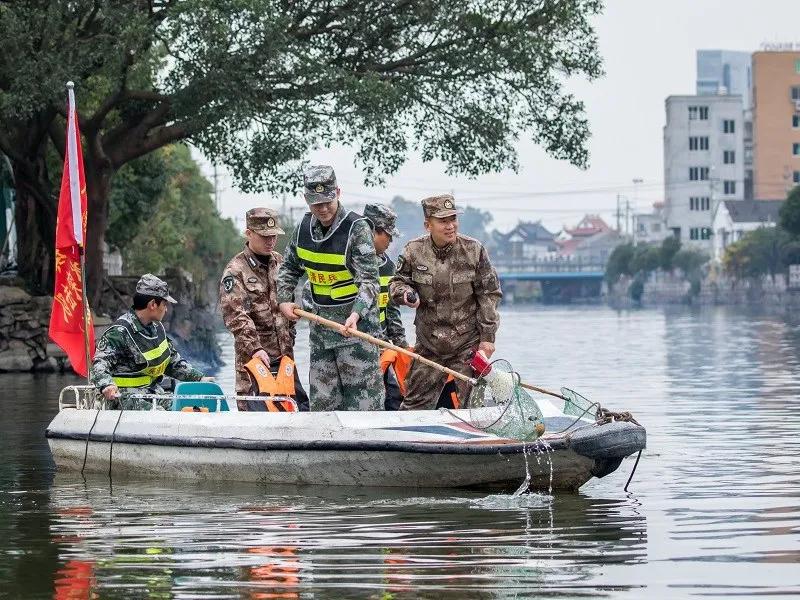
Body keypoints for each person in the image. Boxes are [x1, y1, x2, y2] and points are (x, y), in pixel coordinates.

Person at [277, 165, 384, 411]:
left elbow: (369, 280)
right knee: (323, 409)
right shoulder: (302, 229)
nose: (323, 209)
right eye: (316, 204)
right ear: (306, 199)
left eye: (328, 201)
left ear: (338, 192)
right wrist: (284, 300)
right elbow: (289, 268)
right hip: (321, 333)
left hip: (356, 334)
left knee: (363, 409)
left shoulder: (357, 229)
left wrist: (356, 314)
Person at [388, 194, 502, 410]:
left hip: (466, 344)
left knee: (473, 409)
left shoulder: (473, 250)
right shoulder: (413, 251)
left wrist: (488, 339)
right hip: (429, 343)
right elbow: (396, 283)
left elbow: (489, 294)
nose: (450, 226)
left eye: (453, 219)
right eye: (443, 221)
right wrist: (405, 294)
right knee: (413, 407)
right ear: (427, 225)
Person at [219, 207, 310, 411]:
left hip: (285, 359)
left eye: (274, 236)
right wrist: (256, 349)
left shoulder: (280, 263)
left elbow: (289, 307)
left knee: (298, 411)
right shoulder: (235, 271)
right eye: (264, 236)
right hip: (255, 362)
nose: (270, 241)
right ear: (249, 233)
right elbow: (235, 316)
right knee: (257, 418)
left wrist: (290, 336)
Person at [91, 274, 213, 409]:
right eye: (164, 304)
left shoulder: (157, 329)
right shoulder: (120, 332)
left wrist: (199, 379)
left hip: (151, 392)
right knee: (160, 413)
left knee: (184, 408)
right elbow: (99, 363)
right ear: (153, 304)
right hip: (122, 397)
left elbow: (171, 361)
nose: (166, 309)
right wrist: (107, 384)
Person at [362, 203, 409, 410]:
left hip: (382, 346)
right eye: (387, 236)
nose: (390, 242)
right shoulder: (350, 262)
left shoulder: (388, 266)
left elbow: (391, 309)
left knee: (393, 397)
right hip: (358, 346)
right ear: (372, 231)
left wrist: (401, 345)